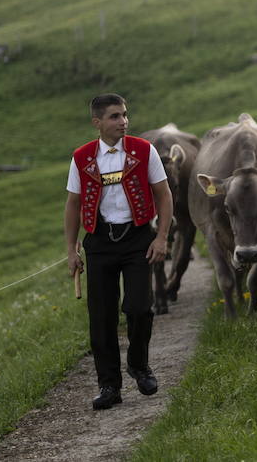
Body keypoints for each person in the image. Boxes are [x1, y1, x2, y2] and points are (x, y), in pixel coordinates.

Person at [65, 93, 173, 411]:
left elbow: (164, 195)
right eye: (114, 116)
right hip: (99, 242)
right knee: (101, 318)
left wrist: (162, 238)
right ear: (97, 122)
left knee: (140, 308)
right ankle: (109, 385)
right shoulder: (82, 157)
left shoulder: (144, 150)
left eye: (124, 115)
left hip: (138, 238)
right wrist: (71, 250)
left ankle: (139, 366)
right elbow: (72, 205)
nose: (123, 121)